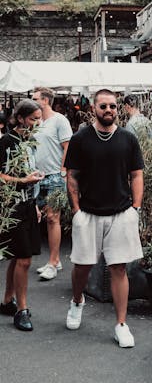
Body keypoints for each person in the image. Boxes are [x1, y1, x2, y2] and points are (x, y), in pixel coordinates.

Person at [64, 89, 144, 348]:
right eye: (103, 106)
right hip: (87, 213)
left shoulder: (128, 139)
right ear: (94, 109)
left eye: (112, 106)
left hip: (121, 212)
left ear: (117, 108)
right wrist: (76, 210)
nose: (108, 110)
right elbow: (72, 175)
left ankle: (121, 324)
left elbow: (137, 174)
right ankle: (77, 301)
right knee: (83, 266)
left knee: (118, 268)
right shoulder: (81, 138)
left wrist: (136, 207)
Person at [0, 99, 45, 331]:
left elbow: (26, 173)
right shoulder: (6, 141)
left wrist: (35, 200)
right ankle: (21, 310)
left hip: (28, 204)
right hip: (12, 207)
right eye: (33, 119)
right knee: (24, 259)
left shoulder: (30, 141)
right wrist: (23, 180)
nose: (38, 123)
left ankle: (8, 300)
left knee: (18, 257)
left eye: (39, 119)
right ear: (20, 118)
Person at [32, 87, 73, 281]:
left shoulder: (59, 120)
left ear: (45, 100)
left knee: (52, 219)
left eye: (35, 98)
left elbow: (68, 147)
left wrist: (63, 172)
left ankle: (53, 262)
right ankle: (55, 259)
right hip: (38, 177)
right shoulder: (38, 122)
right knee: (46, 220)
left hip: (55, 175)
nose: (32, 101)